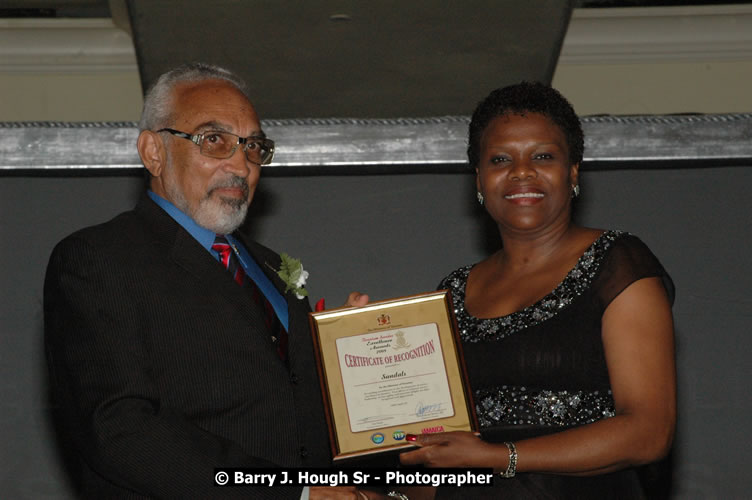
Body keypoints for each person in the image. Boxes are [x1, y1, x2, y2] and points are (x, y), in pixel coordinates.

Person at [44, 62, 369, 499]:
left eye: (253, 146)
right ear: (153, 152)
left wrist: (346, 358)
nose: (241, 164)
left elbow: (283, 407)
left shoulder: (271, 266)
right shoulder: (100, 258)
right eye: (214, 140)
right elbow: (118, 428)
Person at [399, 82, 676, 499]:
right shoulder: (451, 293)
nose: (521, 172)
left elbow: (649, 432)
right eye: (500, 159)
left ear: (573, 171)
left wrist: (498, 457)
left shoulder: (616, 263)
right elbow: (439, 454)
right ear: (479, 179)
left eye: (543, 156)